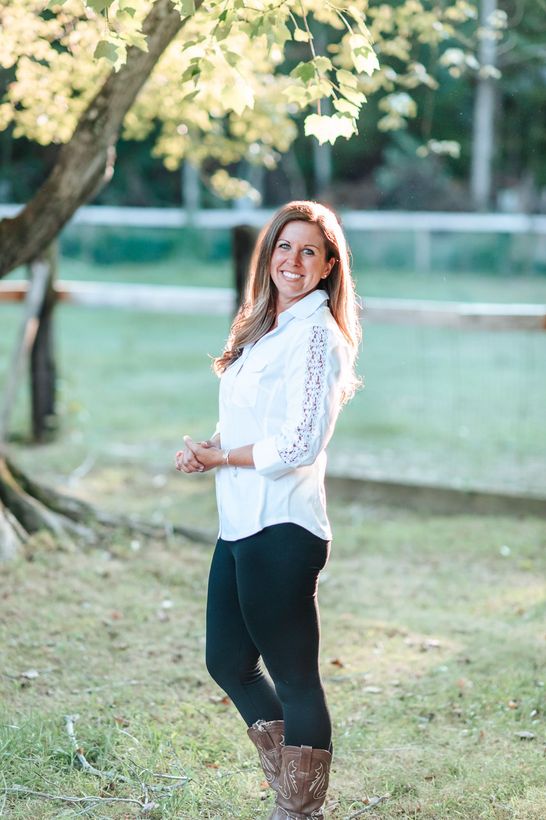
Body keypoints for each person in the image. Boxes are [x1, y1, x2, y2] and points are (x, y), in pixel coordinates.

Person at [175, 200, 361, 819]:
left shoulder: (315, 335)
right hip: (242, 521)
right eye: (285, 247)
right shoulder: (266, 327)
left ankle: (299, 809)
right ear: (269, 254)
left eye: (310, 251)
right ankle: (290, 788)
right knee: (226, 660)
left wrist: (223, 459)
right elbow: (253, 420)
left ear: (329, 265)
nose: (293, 261)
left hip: (283, 525)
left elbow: (300, 441)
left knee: (295, 675)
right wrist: (210, 447)